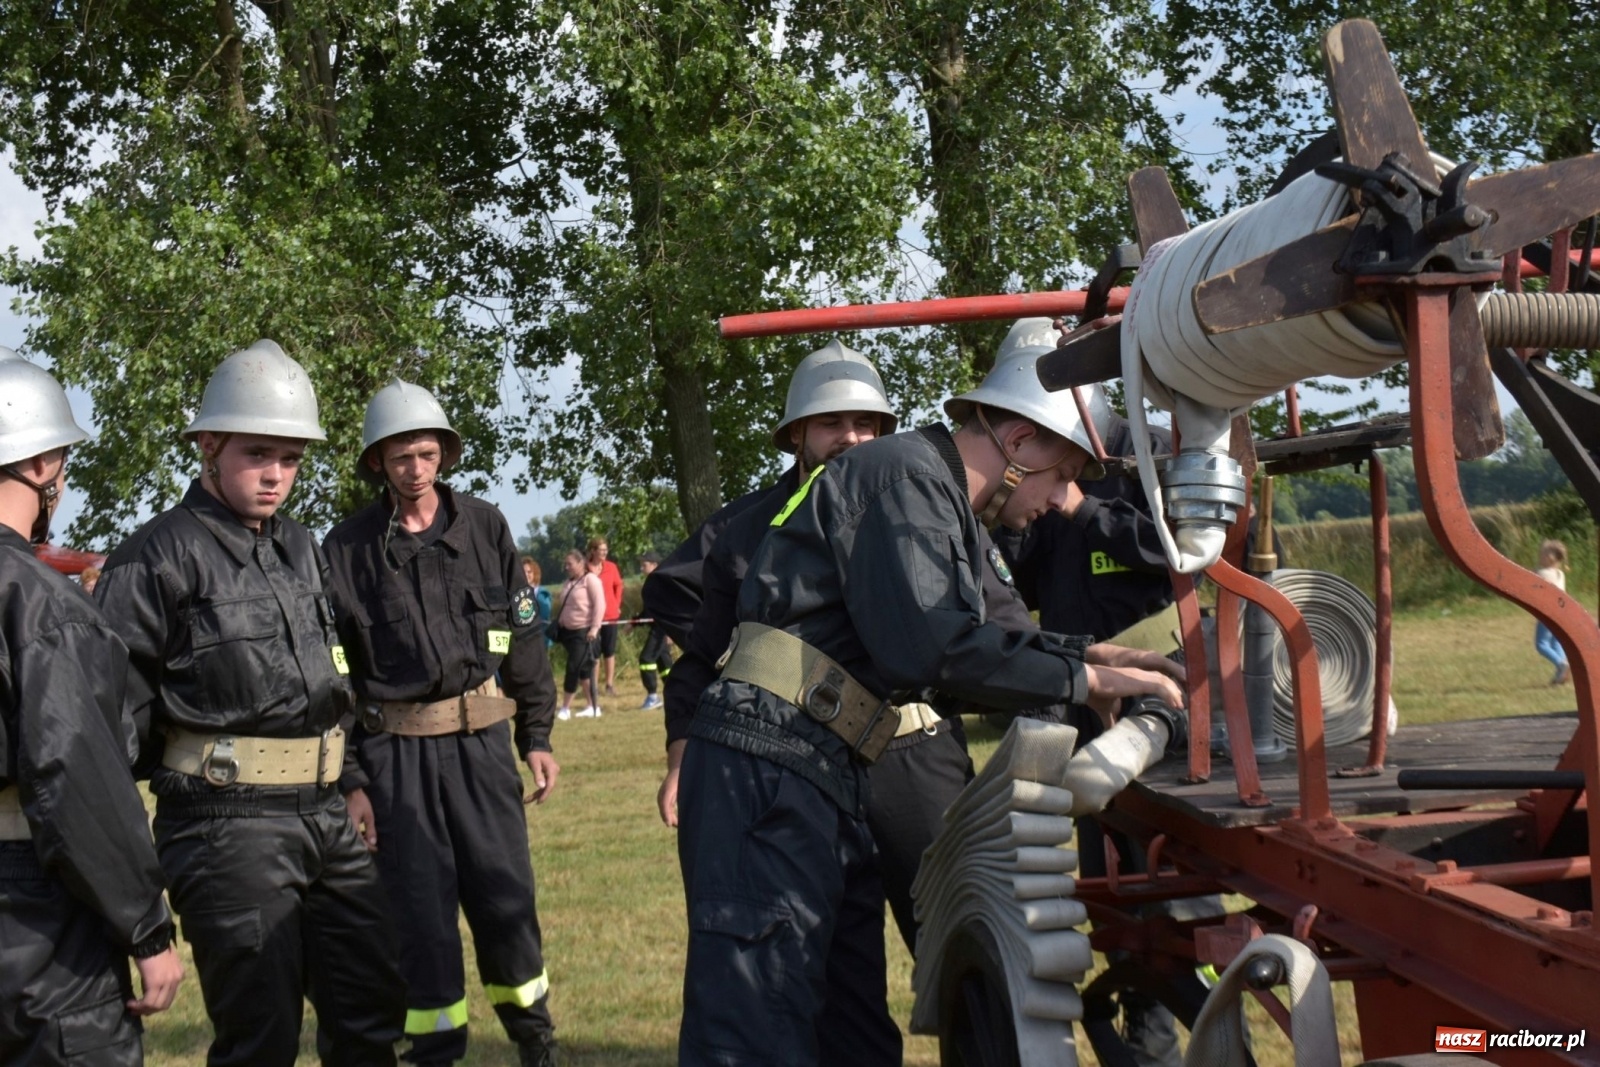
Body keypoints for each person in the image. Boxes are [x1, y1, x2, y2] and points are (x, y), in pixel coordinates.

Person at [674, 330, 1185, 1066]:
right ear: (1019, 442)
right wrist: (1086, 680)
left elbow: (967, 631)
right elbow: (933, 646)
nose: (1059, 501)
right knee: (755, 1036)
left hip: (818, 770)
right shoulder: (905, 479)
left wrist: (1087, 654)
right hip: (769, 774)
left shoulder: (931, 494)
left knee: (853, 1034)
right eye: (1064, 475)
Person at [94, 339, 406, 1067]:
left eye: (291, 459)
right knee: (260, 1037)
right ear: (209, 444)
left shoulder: (302, 547)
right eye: (258, 453)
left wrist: (349, 778)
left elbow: (328, 681)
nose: (275, 475)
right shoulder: (155, 558)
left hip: (325, 814)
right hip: (224, 826)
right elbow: (107, 731)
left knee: (371, 1014)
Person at [322, 379, 563, 1067]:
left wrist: (536, 736)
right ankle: (433, 1051)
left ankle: (536, 1041)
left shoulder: (485, 527)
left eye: (426, 454)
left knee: (505, 898)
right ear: (377, 461)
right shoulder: (345, 550)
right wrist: (353, 780)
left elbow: (522, 638)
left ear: (445, 455)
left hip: (482, 749)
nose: (415, 468)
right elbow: (336, 675)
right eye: (400, 456)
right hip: (394, 759)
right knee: (418, 918)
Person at [0, 357, 183, 1067]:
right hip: (36, 917)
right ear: (41, 464)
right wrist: (146, 926)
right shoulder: (43, 605)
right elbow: (75, 777)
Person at [556, 549, 604, 720]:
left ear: (580, 563)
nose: (566, 567)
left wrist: (594, 628)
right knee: (584, 671)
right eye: (565, 564)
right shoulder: (568, 583)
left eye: (570, 564)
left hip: (584, 632)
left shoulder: (590, 580)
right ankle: (593, 706)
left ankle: (565, 708)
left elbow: (600, 604)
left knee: (573, 667)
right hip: (568, 633)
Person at [635, 551, 674, 709]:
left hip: (661, 630)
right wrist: (634, 622)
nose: (641, 568)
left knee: (646, 659)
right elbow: (648, 612)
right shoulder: (651, 582)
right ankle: (675, 694)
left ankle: (653, 697)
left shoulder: (661, 583)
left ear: (654, 565)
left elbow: (670, 608)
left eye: (644, 565)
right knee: (665, 665)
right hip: (658, 628)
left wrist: (670, 631)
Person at [586, 537, 624, 697]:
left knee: (609, 651)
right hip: (591, 617)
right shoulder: (585, 568)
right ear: (593, 551)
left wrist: (617, 603)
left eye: (605, 550)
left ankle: (609, 685)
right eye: (601, 550)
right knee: (594, 653)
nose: (604, 553)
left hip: (610, 615)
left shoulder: (611, 567)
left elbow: (618, 585)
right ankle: (593, 687)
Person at [1536, 539, 1572, 685]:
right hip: (1562, 614)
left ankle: (1561, 664)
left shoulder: (1542, 573)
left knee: (1541, 644)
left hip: (1548, 614)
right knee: (1556, 642)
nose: (1539, 556)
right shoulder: (1560, 573)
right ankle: (1561, 673)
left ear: (1549, 557)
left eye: (1542, 554)